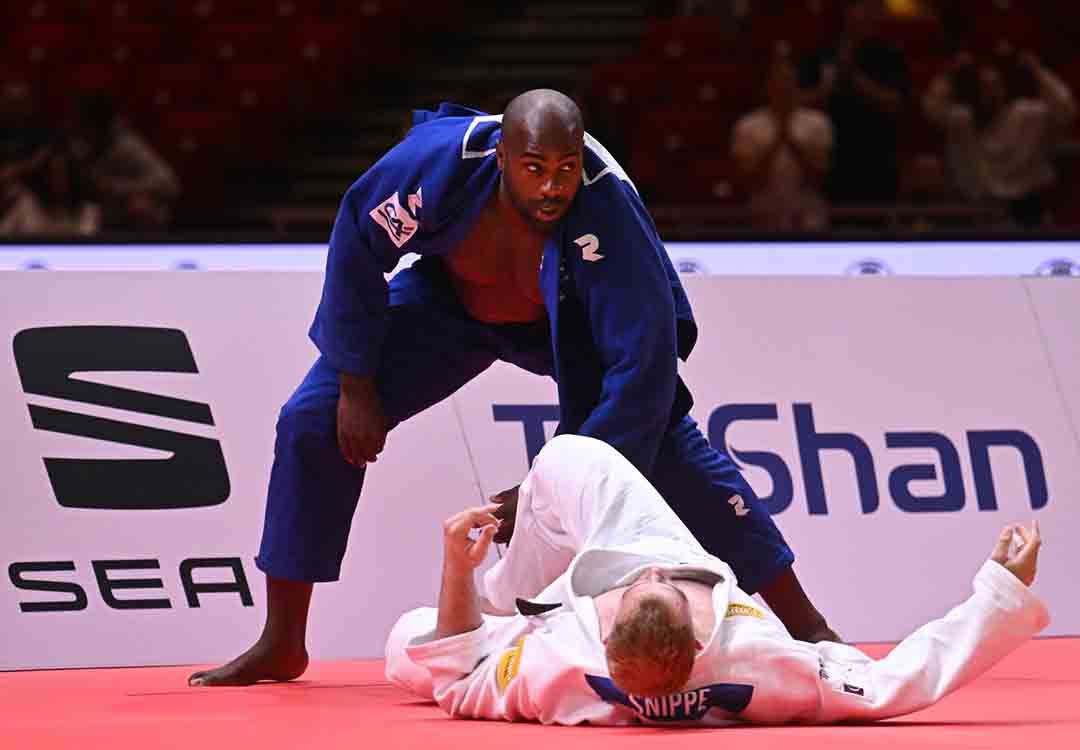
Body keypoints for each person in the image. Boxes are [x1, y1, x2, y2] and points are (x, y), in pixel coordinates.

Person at [189, 89, 836, 687]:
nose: (552, 185)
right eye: (533, 168)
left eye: (565, 167)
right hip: (445, 307)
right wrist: (356, 382)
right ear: (502, 156)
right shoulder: (435, 165)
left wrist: (540, 494)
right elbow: (358, 238)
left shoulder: (609, 205)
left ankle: (806, 623)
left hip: (564, 324)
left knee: (664, 432)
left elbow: (642, 370)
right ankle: (282, 638)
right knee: (312, 418)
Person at [386, 434, 1048, 726]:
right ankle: (502, 598)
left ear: (607, 629)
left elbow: (458, 677)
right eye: (653, 585)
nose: (645, 577)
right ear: (690, 617)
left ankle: (501, 597)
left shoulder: (562, 665)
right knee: (568, 456)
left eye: (633, 589)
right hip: (655, 563)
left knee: (406, 642)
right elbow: (898, 683)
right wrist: (999, 589)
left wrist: (460, 574)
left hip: (551, 610)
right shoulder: (762, 661)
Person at [924, 50, 1076, 226]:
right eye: (983, 87)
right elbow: (931, 109)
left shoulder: (1028, 115)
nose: (988, 93)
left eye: (994, 86)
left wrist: (1038, 72)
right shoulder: (963, 120)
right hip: (977, 210)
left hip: (1026, 208)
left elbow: (1066, 109)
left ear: (1004, 89)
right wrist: (949, 74)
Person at [799, 0, 910, 207]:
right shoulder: (822, 52)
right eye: (862, 7)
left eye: (872, 8)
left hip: (877, 161)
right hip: (833, 162)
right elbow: (797, 102)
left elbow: (896, 102)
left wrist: (853, 76)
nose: (868, 14)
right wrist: (824, 91)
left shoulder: (888, 54)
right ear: (847, 11)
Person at [731, 48, 833, 229]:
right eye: (777, 82)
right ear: (767, 86)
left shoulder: (817, 123)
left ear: (796, 85)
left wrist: (789, 136)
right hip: (762, 219)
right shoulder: (748, 126)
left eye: (787, 81)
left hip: (808, 219)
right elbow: (748, 180)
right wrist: (779, 134)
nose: (782, 88)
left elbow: (819, 177)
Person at [66, 91, 180, 229]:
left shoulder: (126, 146)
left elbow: (168, 182)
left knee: (140, 205)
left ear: (97, 125)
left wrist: (120, 188)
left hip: (127, 224)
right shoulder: (77, 147)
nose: (79, 128)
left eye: (83, 123)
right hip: (93, 221)